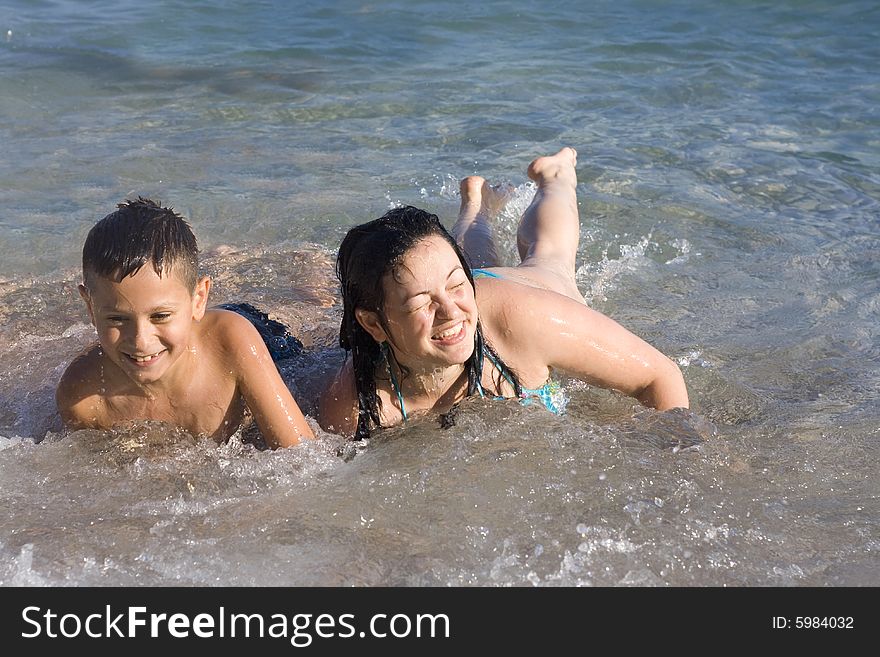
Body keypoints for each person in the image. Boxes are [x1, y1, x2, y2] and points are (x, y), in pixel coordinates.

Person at [319, 147, 689, 439]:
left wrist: (679, 459)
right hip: (474, 286)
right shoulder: (358, 402)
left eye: (455, 285)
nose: (450, 311)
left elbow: (658, 376)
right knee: (464, 264)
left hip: (502, 301)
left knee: (550, 258)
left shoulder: (524, 319)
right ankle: (476, 206)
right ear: (373, 323)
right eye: (421, 303)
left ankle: (556, 176)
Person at [56, 197, 314, 448]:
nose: (140, 341)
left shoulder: (233, 342)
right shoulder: (83, 399)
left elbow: (303, 457)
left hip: (255, 335)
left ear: (199, 299)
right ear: (90, 307)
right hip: (189, 318)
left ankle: (307, 274)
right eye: (116, 319)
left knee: (305, 323)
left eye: (160, 316)